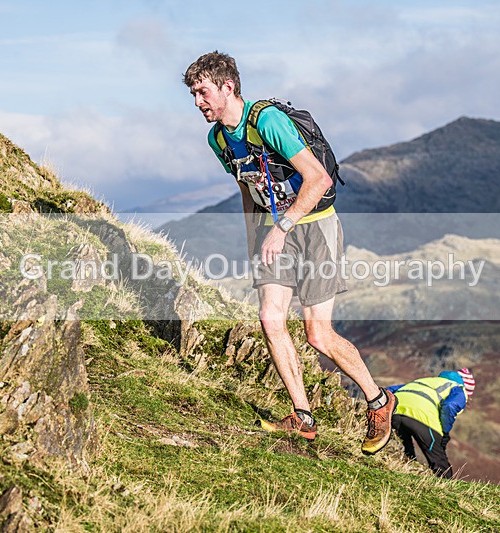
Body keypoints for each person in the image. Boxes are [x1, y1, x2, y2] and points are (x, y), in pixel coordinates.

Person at [182, 51, 396, 454]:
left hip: (315, 226)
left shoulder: (267, 121)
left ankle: (378, 400)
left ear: (228, 87)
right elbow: (247, 187)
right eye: (193, 94)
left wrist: (282, 228)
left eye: (203, 92)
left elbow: (319, 179)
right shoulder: (218, 139)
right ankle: (302, 416)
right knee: (270, 318)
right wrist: (255, 238)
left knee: (318, 334)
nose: (197, 102)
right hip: (272, 230)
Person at [386, 368, 475, 478]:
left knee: (405, 454)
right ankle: (445, 485)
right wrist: (445, 432)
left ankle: (402, 476)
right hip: (422, 418)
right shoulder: (458, 389)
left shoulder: (424, 381)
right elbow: (449, 406)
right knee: (440, 465)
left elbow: (388, 391)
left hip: (394, 413)